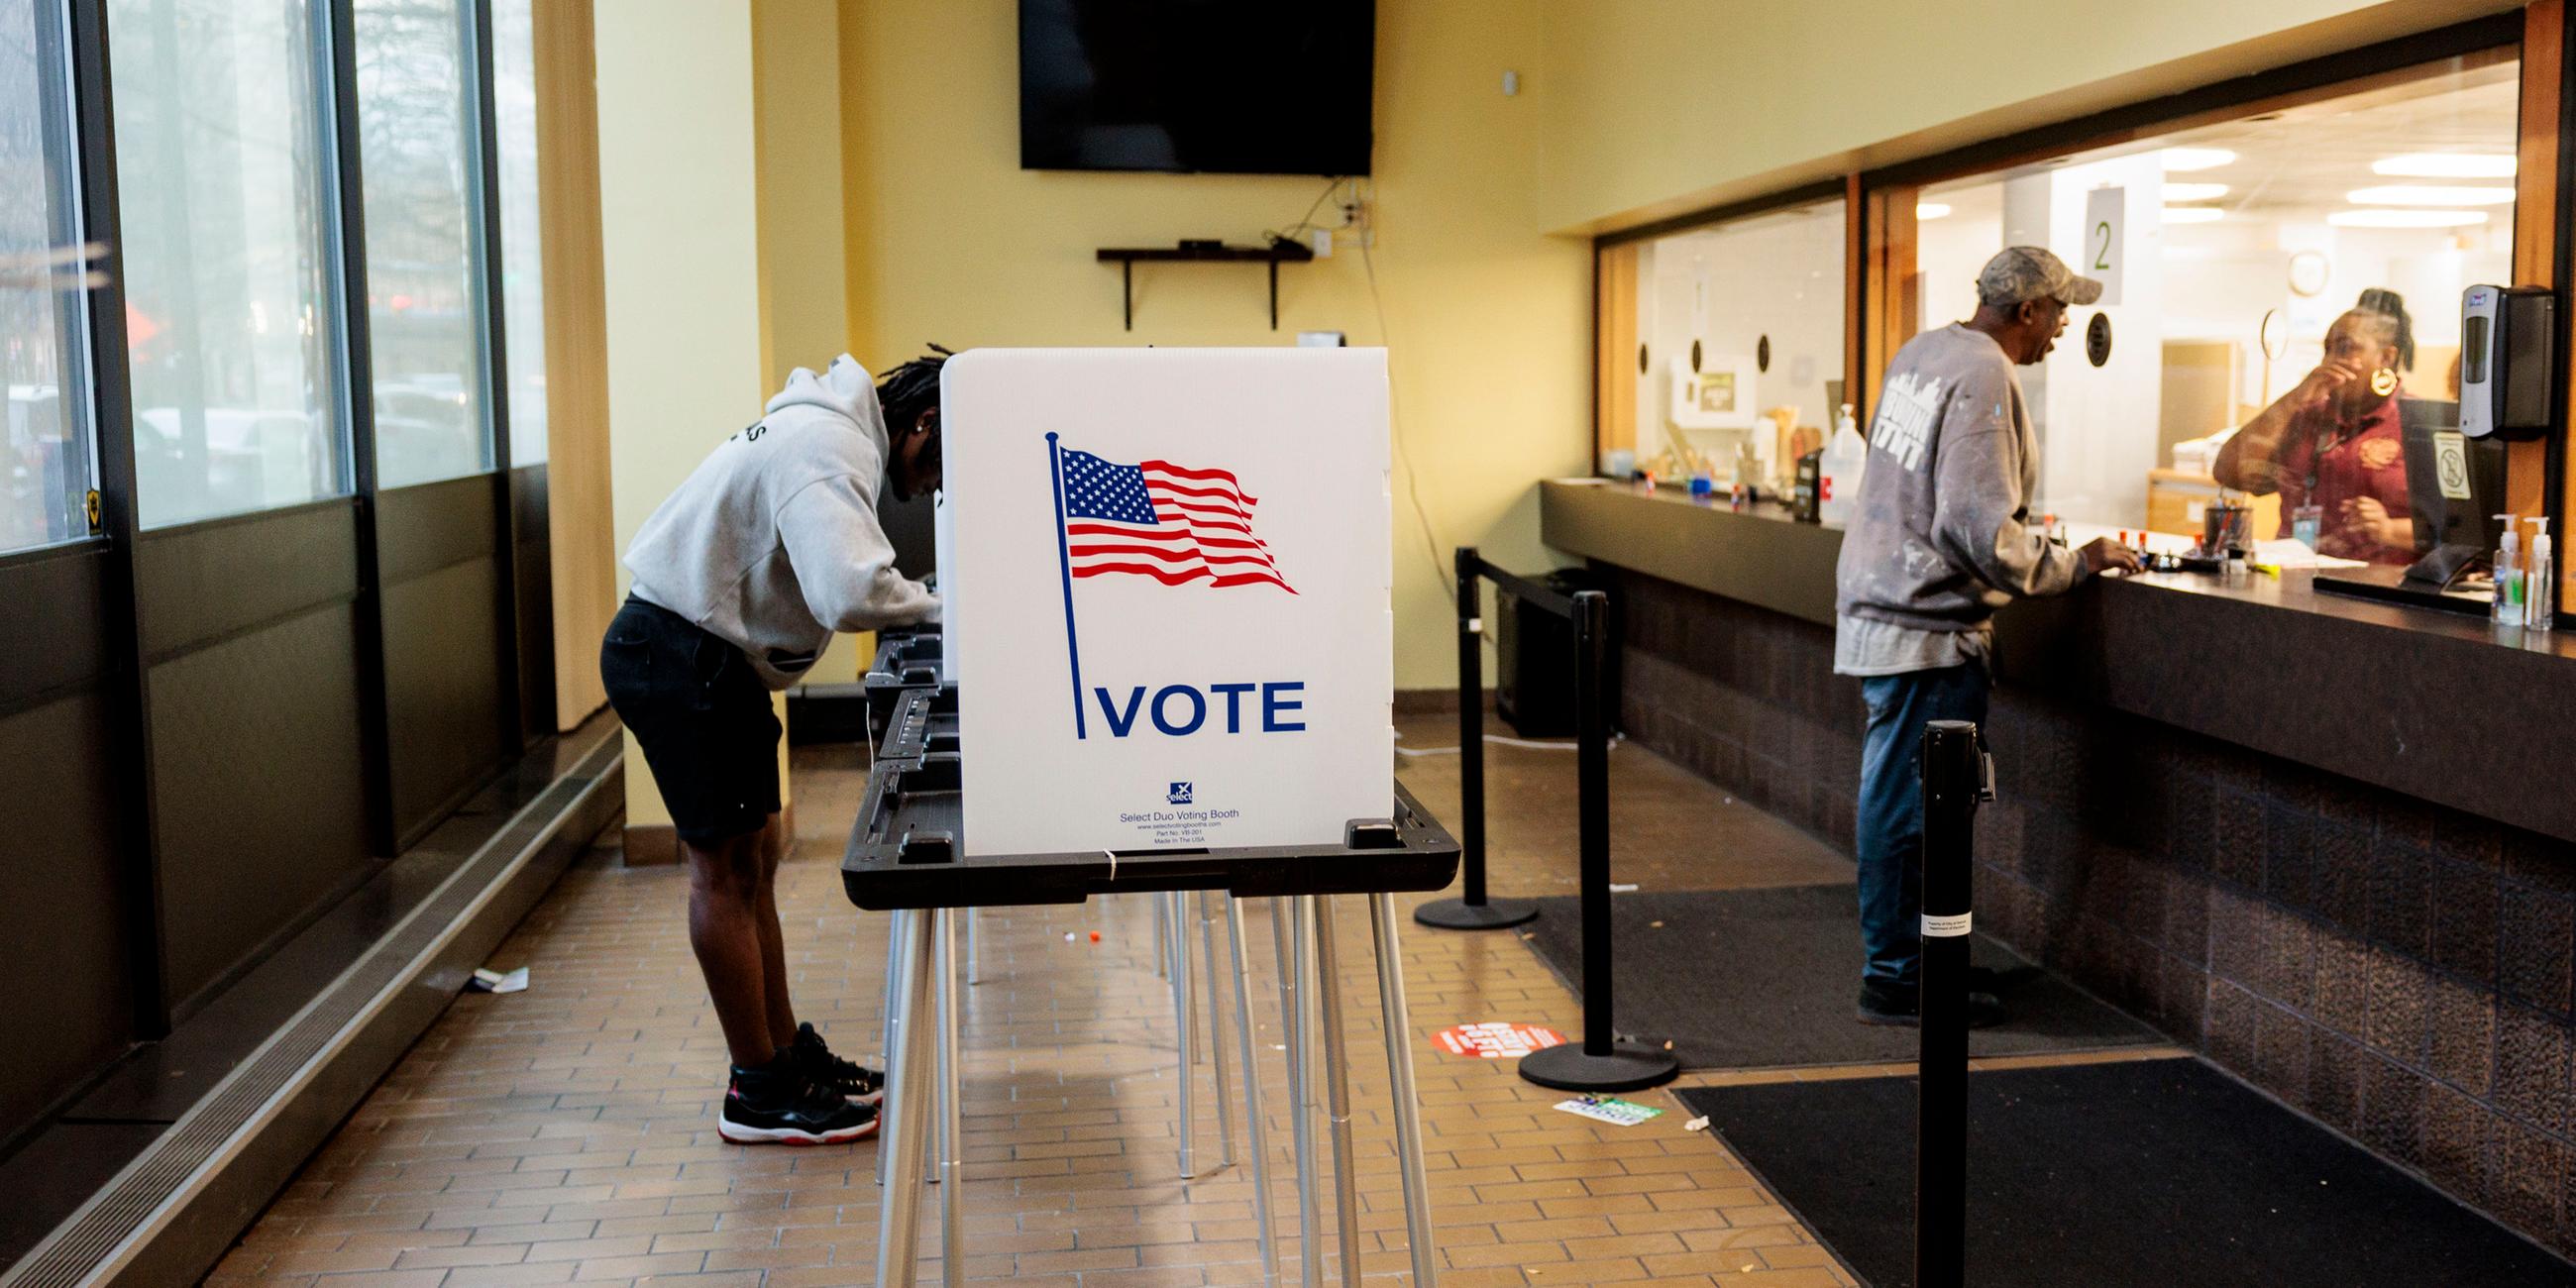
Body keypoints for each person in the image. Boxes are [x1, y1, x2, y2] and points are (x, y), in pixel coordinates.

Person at [601, 351, 945, 1144]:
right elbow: (849, 589)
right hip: (675, 654)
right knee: (719, 873)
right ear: (922, 425)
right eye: (939, 468)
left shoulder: (830, 436)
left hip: (708, 659)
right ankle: (755, 1087)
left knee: (753, 864)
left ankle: (783, 1057)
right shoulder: (824, 447)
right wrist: (938, 607)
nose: (930, 489)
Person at [1833, 247, 2141, 1026]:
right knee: (1912, 813)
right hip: (1926, 631)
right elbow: (1973, 525)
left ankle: (1919, 959)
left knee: (1898, 803)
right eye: (2060, 311)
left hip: (1886, 609)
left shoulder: (1923, 351)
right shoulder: (1984, 374)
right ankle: (1900, 978)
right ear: (2027, 311)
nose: (2065, 327)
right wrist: (2070, 565)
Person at [2212, 289, 2416, 565]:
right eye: (2327, 349)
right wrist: (2294, 398)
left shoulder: (2414, 422)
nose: (2330, 360)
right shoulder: (2304, 415)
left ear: (2385, 358)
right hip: (2292, 581)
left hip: (2375, 592)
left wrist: (2390, 530)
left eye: (2345, 347)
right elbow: (2229, 473)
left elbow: (2458, 533)